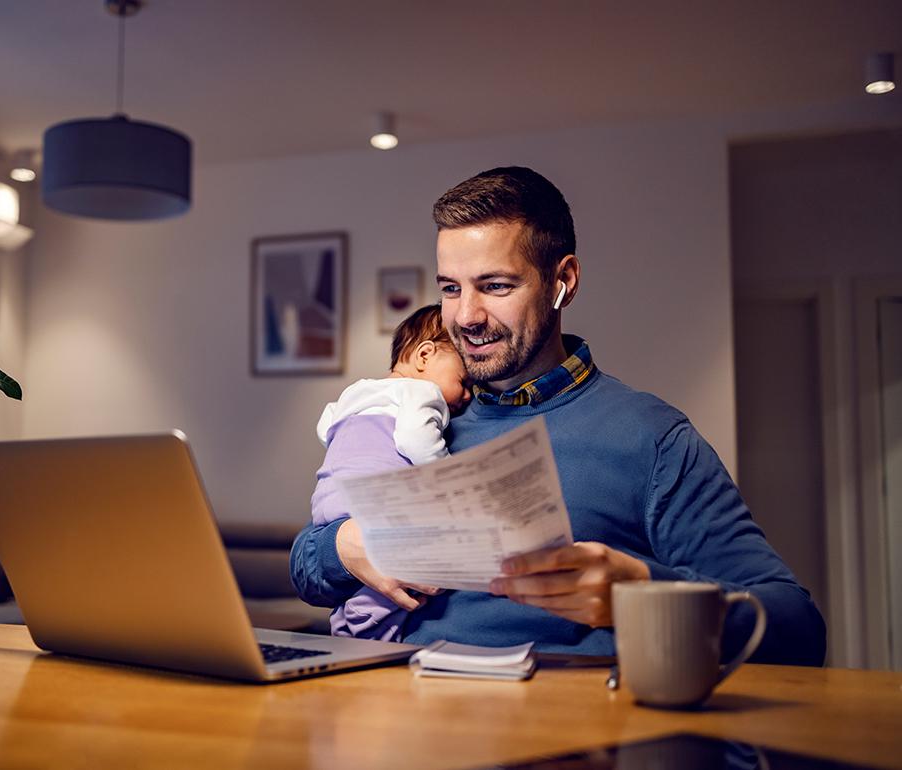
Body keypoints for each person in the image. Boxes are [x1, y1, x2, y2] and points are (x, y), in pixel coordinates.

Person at [291, 166, 827, 665]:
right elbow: (309, 571)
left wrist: (639, 593)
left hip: (560, 736)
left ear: (563, 281)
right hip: (398, 721)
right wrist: (341, 548)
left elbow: (796, 628)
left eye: (495, 286)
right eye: (451, 289)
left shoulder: (651, 438)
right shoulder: (422, 414)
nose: (466, 316)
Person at [312, 304, 471, 641]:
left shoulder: (355, 391)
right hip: (377, 496)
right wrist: (448, 475)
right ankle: (364, 617)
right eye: (463, 381)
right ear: (425, 356)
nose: (468, 396)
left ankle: (347, 616)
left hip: (329, 499)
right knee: (435, 557)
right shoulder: (423, 392)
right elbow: (416, 440)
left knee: (367, 569)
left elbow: (326, 426)